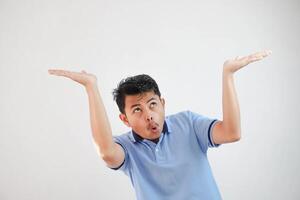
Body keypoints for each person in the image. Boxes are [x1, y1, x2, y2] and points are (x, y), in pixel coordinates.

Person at [48, 50, 271, 200]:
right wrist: (91, 87)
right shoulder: (127, 148)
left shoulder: (189, 123)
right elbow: (106, 152)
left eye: (153, 104)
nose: (149, 115)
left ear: (162, 104)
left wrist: (228, 74)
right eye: (137, 109)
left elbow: (232, 132)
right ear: (124, 119)